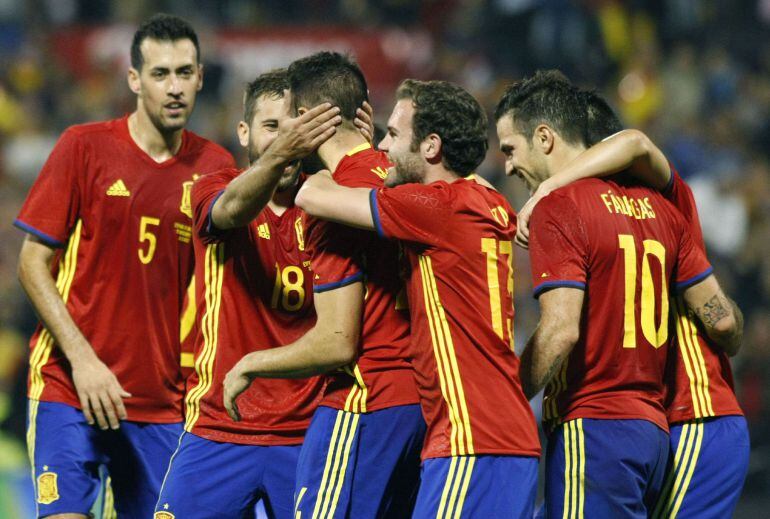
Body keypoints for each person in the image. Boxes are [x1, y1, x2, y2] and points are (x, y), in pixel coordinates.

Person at [14, 14, 236, 518]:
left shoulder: (217, 168)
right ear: (134, 79)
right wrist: (84, 361)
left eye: (185, 72)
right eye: (160, 74)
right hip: (70, 384)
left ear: (201, 77)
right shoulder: (84, 146)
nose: (174, 87)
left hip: (160, 400)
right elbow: (32, 262)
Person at [494, 70, 742, 518]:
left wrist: (501, 403)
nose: (507, 165)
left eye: (510, 149)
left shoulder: (562, 205)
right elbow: (724, 322)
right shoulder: (665, 207)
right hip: (658, 423)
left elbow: (560, 328)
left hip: (631, 418)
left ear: (549, 137)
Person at [295, 78, 542, 518]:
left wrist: (341, 150)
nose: (383, 148)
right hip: (510, 440)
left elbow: (312, 196)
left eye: (392, 135)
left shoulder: (432, 207)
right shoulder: (489, 201)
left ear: (430, 146)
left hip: (469, 440)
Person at [223, 52, 425, 518]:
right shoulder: (407, 177)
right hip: (422, 403)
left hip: (364, 401)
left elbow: (337, 342)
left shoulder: (330, 201)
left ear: (304, 119)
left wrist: (253, 364)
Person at [152, 70, 341, 519]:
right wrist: (281, 155)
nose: (287, 138)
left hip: (310, 433)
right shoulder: (212, 188)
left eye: (295, 126)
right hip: (220, 425)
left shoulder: (333, 206)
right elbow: (233, 209)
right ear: (245, 132)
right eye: (272, 127)